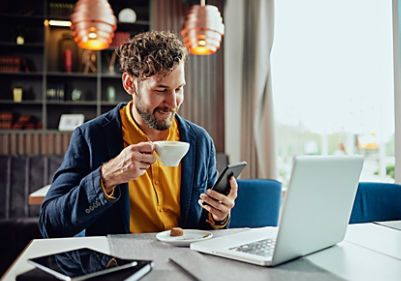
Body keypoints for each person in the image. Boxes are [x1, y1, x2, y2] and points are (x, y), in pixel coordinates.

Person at [39, 31, 238, 238]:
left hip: (185, 259)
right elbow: (50, 224)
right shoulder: (91, 137)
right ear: (129, 84)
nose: (173, 103)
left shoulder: (200, 141)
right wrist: (106, 177)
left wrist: (219, 217)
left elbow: (205, 227)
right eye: (161, 90)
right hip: (122, 264)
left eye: (179, 89)